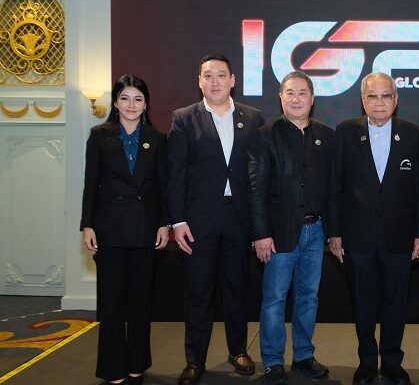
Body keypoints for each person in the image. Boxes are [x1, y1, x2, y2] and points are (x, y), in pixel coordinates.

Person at [167, 53, 265, 385]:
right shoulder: (184, 118)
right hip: (198, 223)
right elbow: (175, 173)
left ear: (232, 80)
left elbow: (258, 173)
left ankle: (238, 351)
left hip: (239, 219)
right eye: (208, 76)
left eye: (221, 75)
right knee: (198, 292)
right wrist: (177, 221)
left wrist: (258, 224)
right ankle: (195, 360)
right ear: (199, 82)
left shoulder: (253, 117)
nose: (215, 81)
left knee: (236, 289)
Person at [328, 72, 419, 385]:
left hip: (400, 233)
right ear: (362, 100)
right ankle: (367, 361)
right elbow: (335, 186)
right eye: (372, 96)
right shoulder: (345, 132)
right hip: (358, 235)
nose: (379, 102)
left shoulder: (412, 134)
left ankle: (392, 361)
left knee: (397, 303)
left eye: (386, 96)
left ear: (396, 100)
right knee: (363, 302)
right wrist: (335, 232)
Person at [80, 75, 169, 385]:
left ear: (146, 104)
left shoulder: (157, 138)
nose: (131, 105)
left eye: (138, 99)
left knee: (141, 302)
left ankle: (137, 363)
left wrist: (164, 223)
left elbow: (162, 186)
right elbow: (90, 183)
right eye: (125, 98)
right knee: (112, 303)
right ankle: (112, 368)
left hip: (146, 229)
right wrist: (87, 224)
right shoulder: (99, 135)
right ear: (116, 103)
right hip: (109, 229)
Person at [248, 71, 333, 385]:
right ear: (280, 97)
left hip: (316, 231)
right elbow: (256, 189)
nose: (296, 99)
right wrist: (261, 233)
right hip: (278, 232)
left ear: (312, 98)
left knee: (308, 297)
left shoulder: (326, 135)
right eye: (290, 93)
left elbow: (332, 188)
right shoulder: (265, 135)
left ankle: (303, 356)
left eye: (302, 93)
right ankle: (273, 362)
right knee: (274, 299)